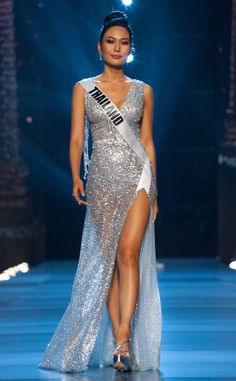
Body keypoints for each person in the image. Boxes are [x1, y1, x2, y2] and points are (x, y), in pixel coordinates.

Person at [39, 9, 162, 373]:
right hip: (102, 181)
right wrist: (75, 176)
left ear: (130, 49)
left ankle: (122, 338)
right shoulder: (84, 88)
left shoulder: (144, 91)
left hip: (138, 178)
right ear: (100, 47)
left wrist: (155, 187)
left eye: (124, 43)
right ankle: (119, 340)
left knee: (128, 254)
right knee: (109, 262)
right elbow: (77, 137)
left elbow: (149, 142)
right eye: (111, 41)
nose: (117, 48)